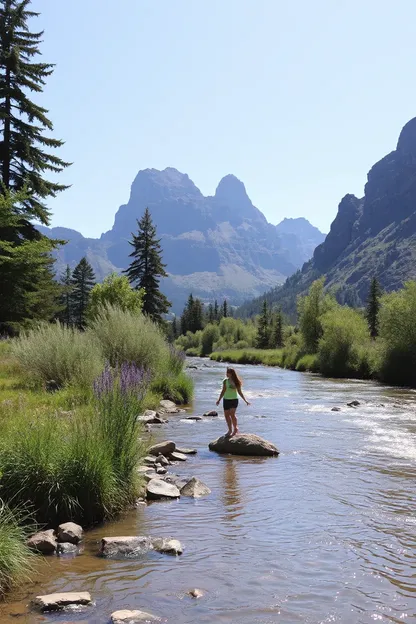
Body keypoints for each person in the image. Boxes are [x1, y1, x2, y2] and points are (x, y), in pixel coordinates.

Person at [216, 367, 250, 437]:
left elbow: (240, 392)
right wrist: (219, 399)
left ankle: (235, 429)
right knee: (226, 415)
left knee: (232, 414)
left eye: (228, 373)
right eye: (226, 372)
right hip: (226, 400)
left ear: (231, 374)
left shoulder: (236, 381)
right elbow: (223, 391)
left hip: (234, 400)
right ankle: (230, 430)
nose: (226, 374)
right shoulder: (225, 381)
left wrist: (245, 400)